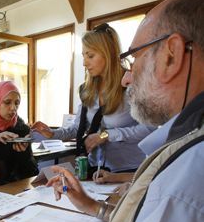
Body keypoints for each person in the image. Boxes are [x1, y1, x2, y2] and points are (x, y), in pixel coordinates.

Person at [0, 0, 204, 222]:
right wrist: (54, 135)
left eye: (136, 57)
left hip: (121, 170)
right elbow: (78, 130)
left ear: (172, 55)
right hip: (99, 174)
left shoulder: (178, 187)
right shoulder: (90, 92)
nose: (128, 77)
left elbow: (147, 132)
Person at [32, 23, 154, 175]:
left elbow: (150, 128)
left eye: (90, 56)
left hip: (128, 171)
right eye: (83, 56)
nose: (84, 63)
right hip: (94, 170)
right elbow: (77, 129)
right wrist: (52, 134)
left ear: (108, 53)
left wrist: (106, 135)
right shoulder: (87, 90)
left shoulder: (131, 85)